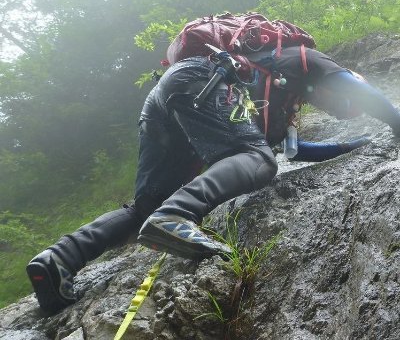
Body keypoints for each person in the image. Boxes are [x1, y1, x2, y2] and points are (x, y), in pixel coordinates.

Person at [26, 40, 400, 315]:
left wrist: (345, 146)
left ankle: (59, 258)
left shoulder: (284, 100)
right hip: (201, 80)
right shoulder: (309, 60)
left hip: (166, 99)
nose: (341, 111)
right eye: (343, 106)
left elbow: (294, 150)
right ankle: (176, 216)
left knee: (147, 207)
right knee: (257, 160)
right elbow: (360, 90)